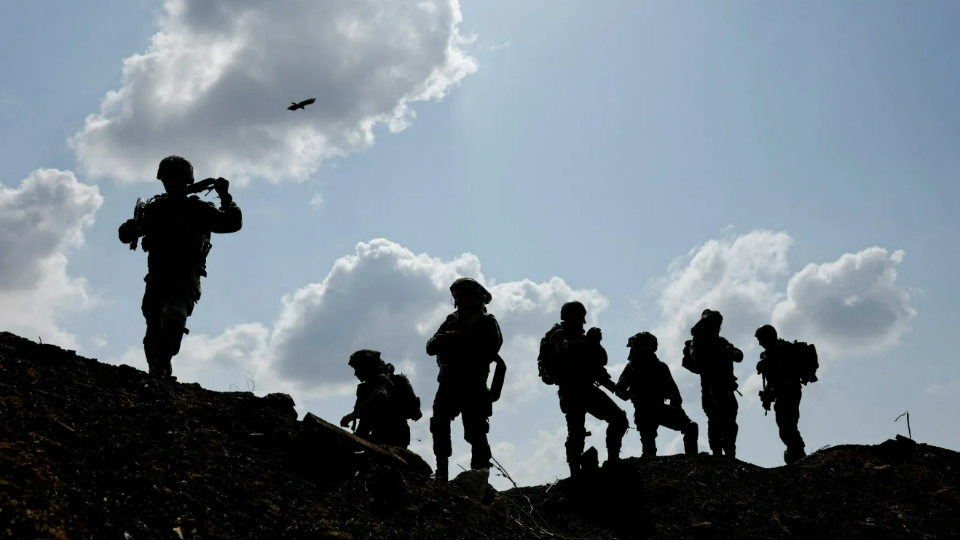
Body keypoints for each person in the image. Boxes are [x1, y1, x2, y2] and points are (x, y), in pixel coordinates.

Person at [118, 155, 241, 380]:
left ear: (185, 181)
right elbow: (125, 234)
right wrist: (137, 225)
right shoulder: (156, 208)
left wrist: (225, 197)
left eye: (176, 179)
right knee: (153, 331)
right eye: (167, 179)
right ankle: (159, 371)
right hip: (157, 275)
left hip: (185, 274)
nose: (171, 184)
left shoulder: (199, 208)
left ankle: (160, 366)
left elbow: (231, 223)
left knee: (174, 316)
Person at [426, 278, 503, 482]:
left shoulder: (486, 322)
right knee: (439, 423)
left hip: (474, 386)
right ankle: (441, 471)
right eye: (457, 297)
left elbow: (494, 345)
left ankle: (479, 477)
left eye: (464, 296)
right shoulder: (451, 320)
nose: (459, 301)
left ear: (476, 298)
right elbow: (430, 347)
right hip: (449, 383)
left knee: (476, 432)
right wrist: (442, 339)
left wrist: (464, 338)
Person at [546, 301, 628, 478]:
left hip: (586, 388)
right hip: (571, 391)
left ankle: (613, 460)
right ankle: (575, 472)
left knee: (619, 419)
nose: (582, 320)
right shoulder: (557, 335)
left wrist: (614, 388)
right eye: (579, 316)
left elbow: (599, 363)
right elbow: (566, 351)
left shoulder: (581, 338)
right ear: (570, 316)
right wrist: (588, 343)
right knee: (576, 432)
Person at [616, 331, 698, 457]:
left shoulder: (660, 367)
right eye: (644, 345)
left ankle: (693, 460)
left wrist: (677, 407)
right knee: (649, 449)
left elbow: (673, 391)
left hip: (659, 408)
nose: (647, 348)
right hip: (643, 412)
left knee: (691, 427)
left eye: (649, 345)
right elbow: (619, 389)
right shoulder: (632, 367)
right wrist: (631, 395)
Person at [682, 309, 743, 458]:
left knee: (730, 423)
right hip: (711, 388)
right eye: (714, 323)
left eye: (718, 324)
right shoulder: (698, 343)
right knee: (716, 422)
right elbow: (695, 363)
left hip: (726, 389)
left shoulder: (721, 342)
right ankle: (717, 454)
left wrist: (727, 352)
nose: (716, 326)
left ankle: (729, 454)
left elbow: (739, 355)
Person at [340, 349, 421, 448]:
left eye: (357, 368)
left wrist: (351, 416)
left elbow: (379, 397)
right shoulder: (367, 387)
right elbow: (366, 420)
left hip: (393, 435)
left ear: (367, 367)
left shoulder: (382, 380)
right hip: (380, 435)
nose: (355, 373)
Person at [755, 324, 809, 464]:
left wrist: (770, 394)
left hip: (789, 392)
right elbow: (773, 380)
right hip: (786, 392)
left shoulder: (780, 351)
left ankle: (798, 455)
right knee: (786, 425)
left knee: (787, 426)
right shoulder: (773, 352)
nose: (759, 343)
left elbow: (782, 378)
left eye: (761, 339)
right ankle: (795, 454)